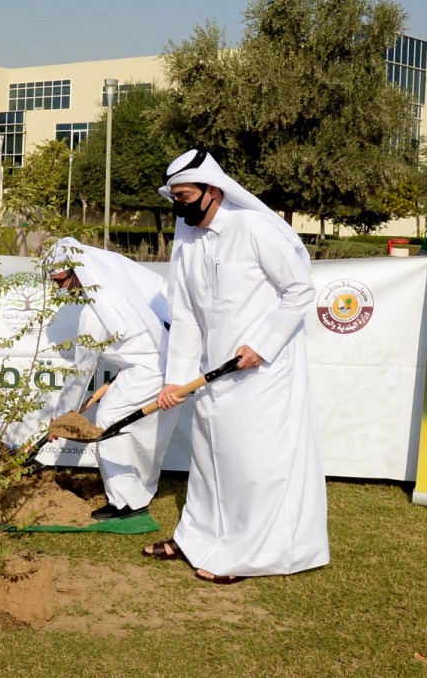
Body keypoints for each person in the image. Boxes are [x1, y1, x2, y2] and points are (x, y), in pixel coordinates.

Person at [145, 149, 329, 584]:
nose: (179, 206)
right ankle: (195, 539)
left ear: (212, 190)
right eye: (175, 197)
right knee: (209, 461)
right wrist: (177, 382)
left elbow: (300, 291)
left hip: (263, 373)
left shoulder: (253, 229)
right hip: (212, 374)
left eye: (185, 196)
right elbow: (186, 313)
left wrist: (262, 345)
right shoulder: (188, 239)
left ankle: (251, 555)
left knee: (253, 465)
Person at [45, 237, 178, 520]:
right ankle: (139, 491)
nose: (58, 288)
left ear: (77, 272)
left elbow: (81, 373)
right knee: (139, 432)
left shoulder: (94, 316)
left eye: (59, 281)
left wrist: (60, 417)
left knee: (108, 420)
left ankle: (124, 503)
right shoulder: (114, 294)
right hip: (160, 366)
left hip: (149, 371)